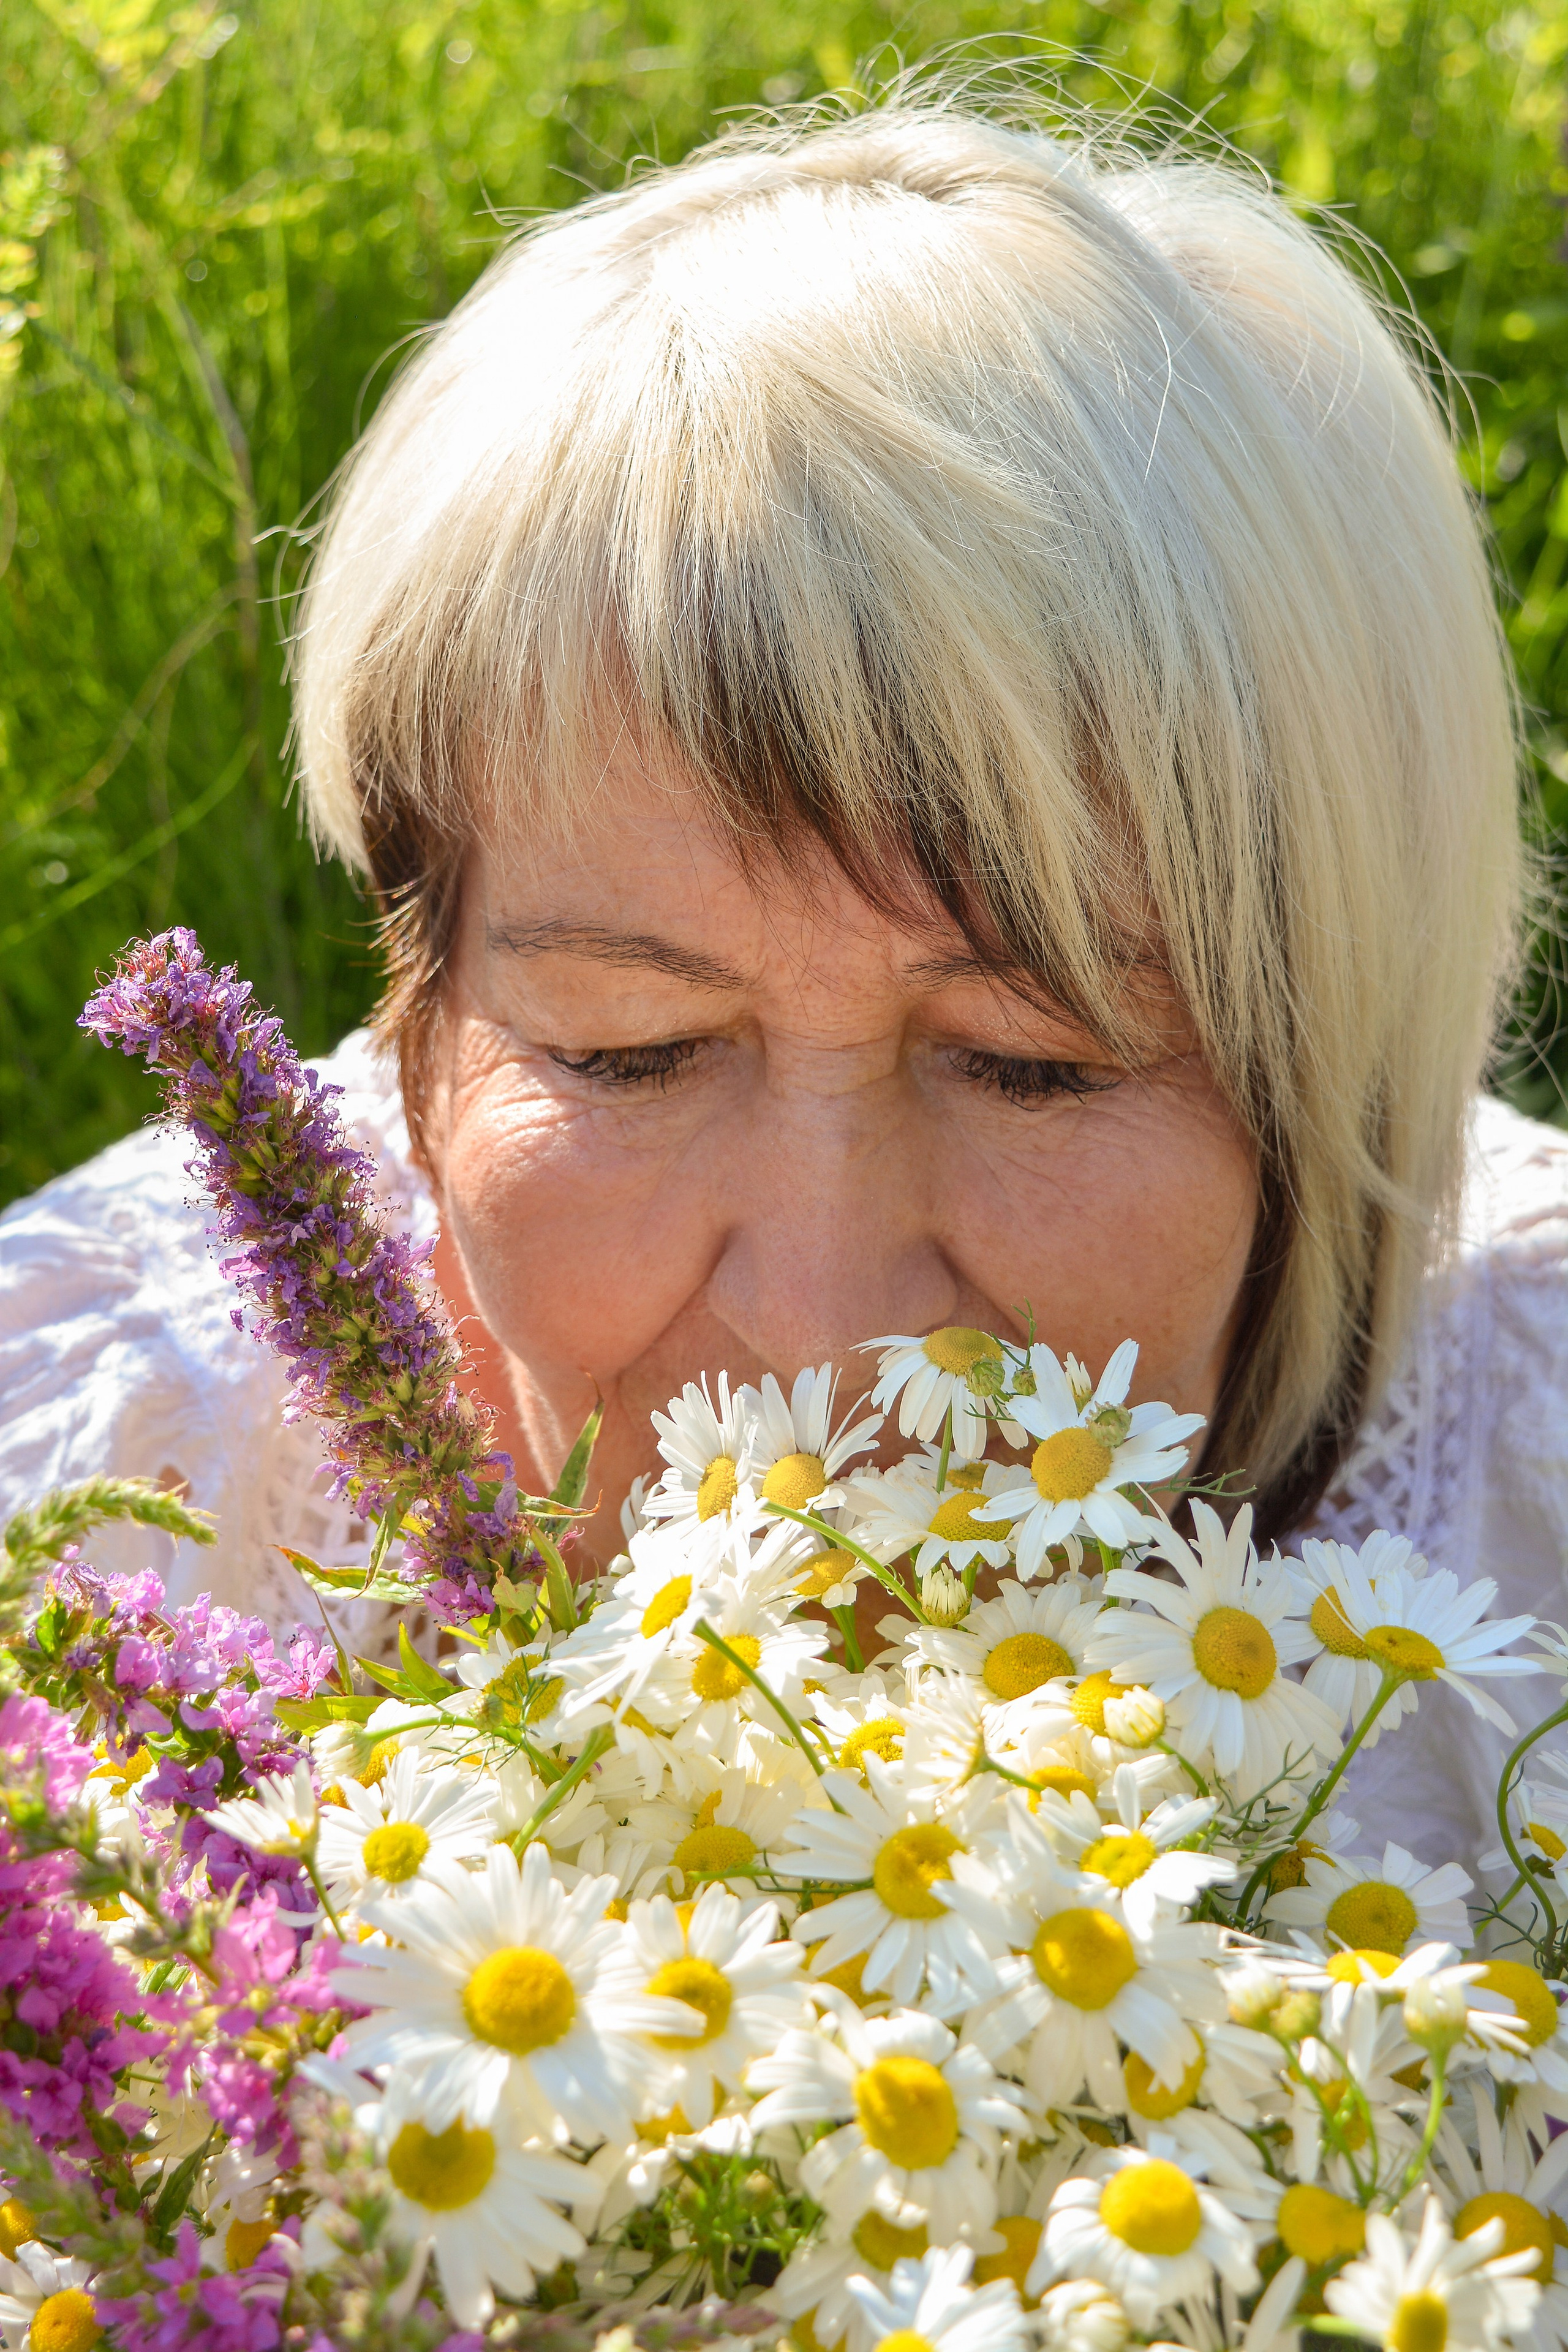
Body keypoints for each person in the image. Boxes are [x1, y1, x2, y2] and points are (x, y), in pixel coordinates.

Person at [1, 97, 1563, 1861]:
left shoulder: (1534, 1524)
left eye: (1030, 1065)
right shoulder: (95, 1510)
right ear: (417, 1030)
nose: (821, 1327)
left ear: (1350, 1059)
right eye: (635, 1052)